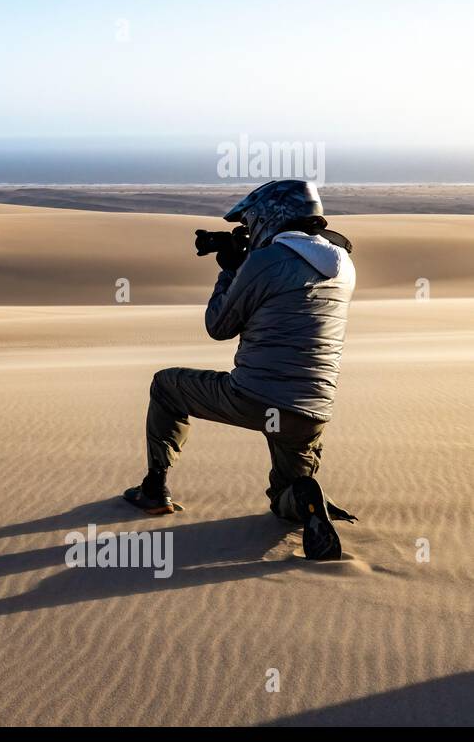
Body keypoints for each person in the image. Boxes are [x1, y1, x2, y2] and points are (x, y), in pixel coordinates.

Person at [122, 179, 358, 560]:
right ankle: (304, 497)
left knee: (165, 385)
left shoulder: (265, 262)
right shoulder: (343, 264)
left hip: (255, 398)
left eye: (250, 223)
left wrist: (231, 269)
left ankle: (154, 490)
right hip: (311, 412)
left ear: (269, 217)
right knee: (283, 496)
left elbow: (218, 326)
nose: (249, 229)